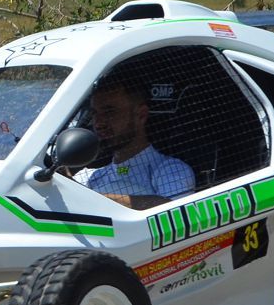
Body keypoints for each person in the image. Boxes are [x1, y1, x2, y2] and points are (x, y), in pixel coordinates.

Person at [73, 80, 195, 210]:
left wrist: (89, 198)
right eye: (94, 113)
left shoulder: (170, 170)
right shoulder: (90, 177)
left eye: (109, 112)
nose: (98, 123)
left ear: (141, 115)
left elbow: (175, 212)